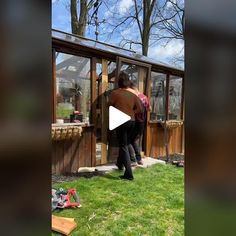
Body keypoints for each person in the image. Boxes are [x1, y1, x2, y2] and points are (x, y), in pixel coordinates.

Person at [109, 71, 142, 180]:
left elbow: (109, 105)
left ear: (119, 82)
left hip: (120, 121)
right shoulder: (133, 93)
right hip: (131, 121)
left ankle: (128, 174)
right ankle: (120, 164)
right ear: (128, 82)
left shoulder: (115, 93)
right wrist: (132, 112)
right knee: (125, 143)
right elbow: (140, 109)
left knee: (123, 145)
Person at [127, 81, 151, 165]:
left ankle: (133, 160)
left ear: (132, 88)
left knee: (127, 140)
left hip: (134, 122)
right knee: (133, 140)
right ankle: (139, 159)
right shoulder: (145, 97)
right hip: (142, 123)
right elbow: (149, 109)